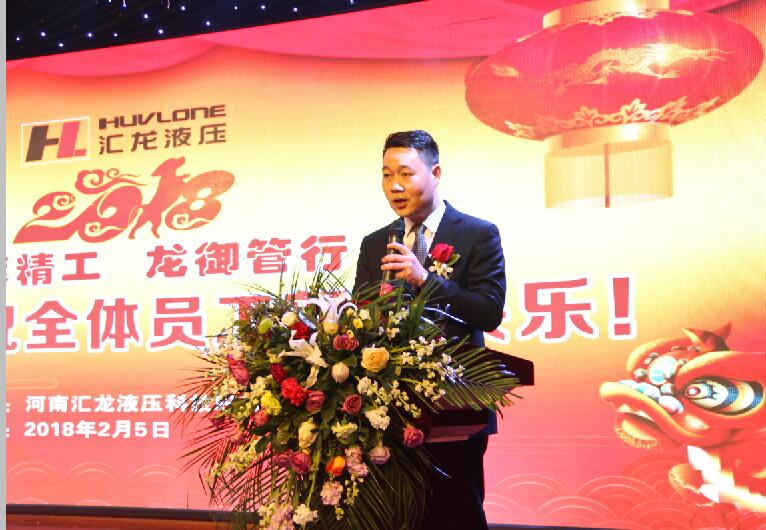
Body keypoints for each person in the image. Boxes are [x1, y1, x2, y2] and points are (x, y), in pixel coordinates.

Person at [353, 130, 506, 530]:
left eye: (405, 173)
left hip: (456, 407)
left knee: (456, 517)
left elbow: (489, 312)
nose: (394, 185)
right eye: (386, 174)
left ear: (435, 173)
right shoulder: (376, 243)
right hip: (387, 413)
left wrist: (425, 279)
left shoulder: (477, 234)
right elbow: (361, 318)